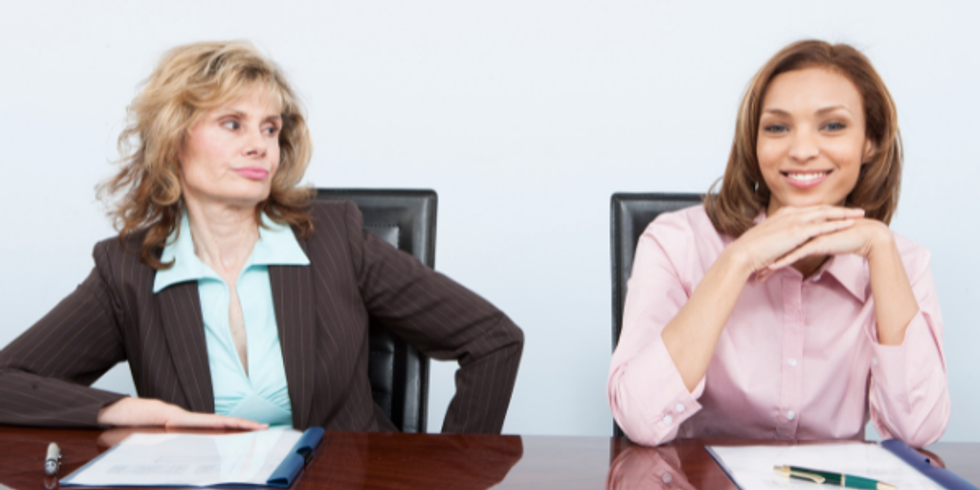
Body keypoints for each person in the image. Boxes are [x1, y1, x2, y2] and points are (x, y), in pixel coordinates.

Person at [0, 41, 523, 433]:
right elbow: (7, 382)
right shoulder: (128, 271)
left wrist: (455, 472)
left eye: (270, 128)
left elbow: (493, 338)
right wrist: (126, 409)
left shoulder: (334, 238)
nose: (259, 146)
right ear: (173, 141)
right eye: (232, 124)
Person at [607, 40, 949, 447]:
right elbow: (639, 420)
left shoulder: (901, 263)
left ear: (870, 141)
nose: (802, 150)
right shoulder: (675, 242)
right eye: (777, 127)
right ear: (755, 142)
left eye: (833, 125)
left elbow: (920, 431)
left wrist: (880, 247)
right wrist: (739, 259)